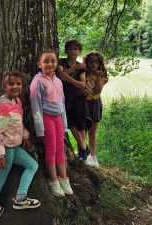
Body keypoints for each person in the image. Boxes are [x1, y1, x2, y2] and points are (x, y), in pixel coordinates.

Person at [0, 71, 40, 225]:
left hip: (14, 147)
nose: (15, 86)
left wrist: (25, 136)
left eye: (18, 84)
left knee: (33, 164)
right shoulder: (3, 107)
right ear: (3, 87)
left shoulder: (17, 102)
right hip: (5, 149)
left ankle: (21, 197)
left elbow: (18, 123)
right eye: (11, 84)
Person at [30, 50, 73, 197]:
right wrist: (39, 127)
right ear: (39, 64)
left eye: (53, 61)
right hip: (46, 118)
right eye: (46, 61)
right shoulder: (38, 82)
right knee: (51, 149)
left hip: (58, 119)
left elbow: (62, 103)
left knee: (60, 148)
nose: (50, 64)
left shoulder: (58, 81)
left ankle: (63, 178)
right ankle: (53, 179)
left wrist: (64, 123)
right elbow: (35, 105)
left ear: (57, 63)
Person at [57, 38, 92, 161]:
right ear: (66, 51)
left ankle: (82, 152)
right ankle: (84, 148)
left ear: (80, 51)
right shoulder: (61, 62)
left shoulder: (82, 67)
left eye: (75, 49)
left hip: (78, 98)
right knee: (70, 123)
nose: (73, 51)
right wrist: (75, 68)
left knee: (80, 125)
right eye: (70, 49)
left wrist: (70, 79)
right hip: (65, 98)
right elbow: (61, 75)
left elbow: (82, 85)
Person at [83, 51, 108, 168]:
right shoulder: (83, 74)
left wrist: (98, 77)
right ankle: (83, 153)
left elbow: (98, 91)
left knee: (92, 132)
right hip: (83, 103)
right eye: (91, 62)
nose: (93, 64)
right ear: (86, 63)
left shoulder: (102, 76)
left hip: (95, 103)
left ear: (100, 63)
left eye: (96, 62)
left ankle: (92, 156)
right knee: (83, 130)